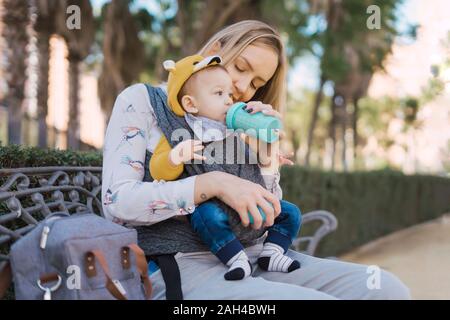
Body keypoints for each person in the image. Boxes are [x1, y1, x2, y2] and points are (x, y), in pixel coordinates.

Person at [102, 20, 411, 299]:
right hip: (180, 264)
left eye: (255, 83)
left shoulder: (235, 120)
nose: (242, 88)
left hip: (255, 254)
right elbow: (116, 203)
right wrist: (212, 184)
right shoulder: (142, 101)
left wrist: (265, 155)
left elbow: (265, 211)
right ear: (213, 51)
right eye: (240, 68)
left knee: (386, 289)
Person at [148, 53, 302, 281]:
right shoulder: (181, 132)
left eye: (230, 94)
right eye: (219, 94)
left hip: (247, 207)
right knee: (204, 216)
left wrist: (271, 154)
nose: (230, 100)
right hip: (215, 207)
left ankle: (273, 252)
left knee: (289, 212)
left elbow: (254, 160)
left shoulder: (234, 129)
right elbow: (157, 170)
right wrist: (173, 157)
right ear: (191, 103)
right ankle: (235, 258)